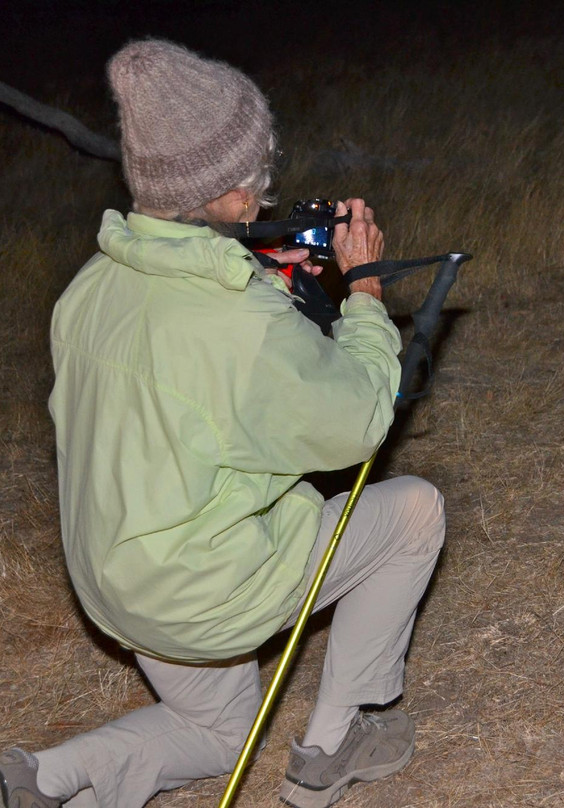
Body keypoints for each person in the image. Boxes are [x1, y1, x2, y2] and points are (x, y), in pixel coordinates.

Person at [0, 39, 444, 808]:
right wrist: (365, 293)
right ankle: (332, 745)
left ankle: (44, 778)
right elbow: (357, 423)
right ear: (235, 193)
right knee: (416, 511)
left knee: (220, 731)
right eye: (258, 175)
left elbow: (184, 376)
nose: (264, 196)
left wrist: (262, 283)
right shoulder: (237, 326)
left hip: (116, 582)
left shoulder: (89, 289)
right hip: (198, 595)